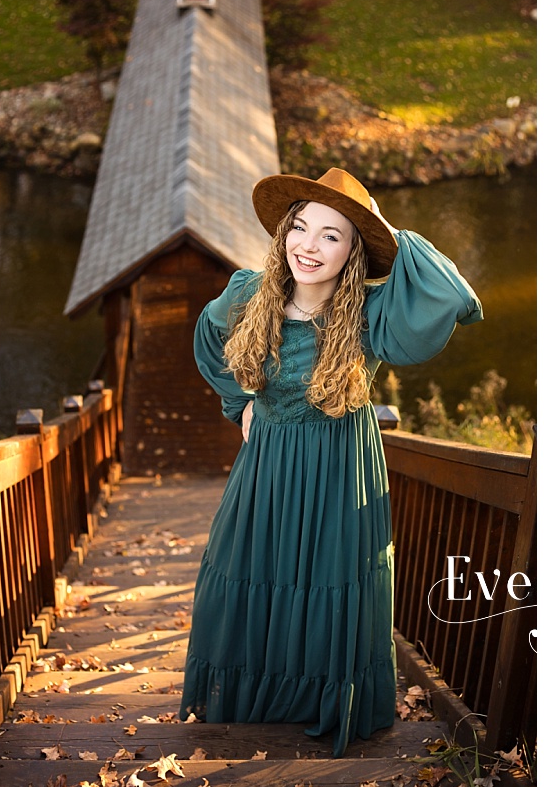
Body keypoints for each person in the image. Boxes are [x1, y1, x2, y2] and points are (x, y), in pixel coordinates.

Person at [181, 167, 482, 756]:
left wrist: (386, 234)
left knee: (329, 578)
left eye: (331, 235)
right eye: (300, 228)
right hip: (266, 466)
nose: (309, 246)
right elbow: (208, 339)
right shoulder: (249, 293)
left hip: (340, 467)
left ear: (353, 251)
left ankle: (321, 699)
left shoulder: (370, 313)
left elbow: (451, 296)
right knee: (252, 568)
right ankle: (255, 702)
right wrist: (238, 404)